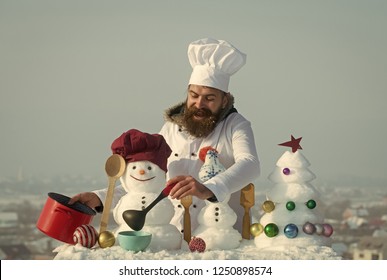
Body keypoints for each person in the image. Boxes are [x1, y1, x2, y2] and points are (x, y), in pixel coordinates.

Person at [69, 38, 260, 234]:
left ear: (224, 100)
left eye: (209, 98)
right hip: (173, 237)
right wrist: (101, 197)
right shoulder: (170, 129)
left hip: (221, 236)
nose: (199, 104)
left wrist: (209, 188)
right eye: (194, 95)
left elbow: (250, 164)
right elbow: (148, 182)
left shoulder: (235, 125)